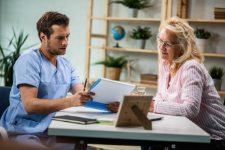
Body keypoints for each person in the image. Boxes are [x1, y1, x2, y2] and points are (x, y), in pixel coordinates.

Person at [0, 11, 116, 150]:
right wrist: (70, 101)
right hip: (23, 132)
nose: (65, 42)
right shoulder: (28, 61)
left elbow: (84, 96)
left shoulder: (66, 65)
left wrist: (111, 104)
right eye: (60, 38)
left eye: (67, 36)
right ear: (43, 37)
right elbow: (30, 105)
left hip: (54, 132)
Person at [110, 16, 225, 150]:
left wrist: (151, 106)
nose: (161, 47)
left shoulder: (191, 67)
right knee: (147, 140)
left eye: (168, 44)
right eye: (160, 41)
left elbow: (190, 109)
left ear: (182, 47)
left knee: (153, 142)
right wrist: (141, 105)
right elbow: (161, 96)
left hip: (212, 137)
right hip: (186, 130)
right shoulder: (165, 64)